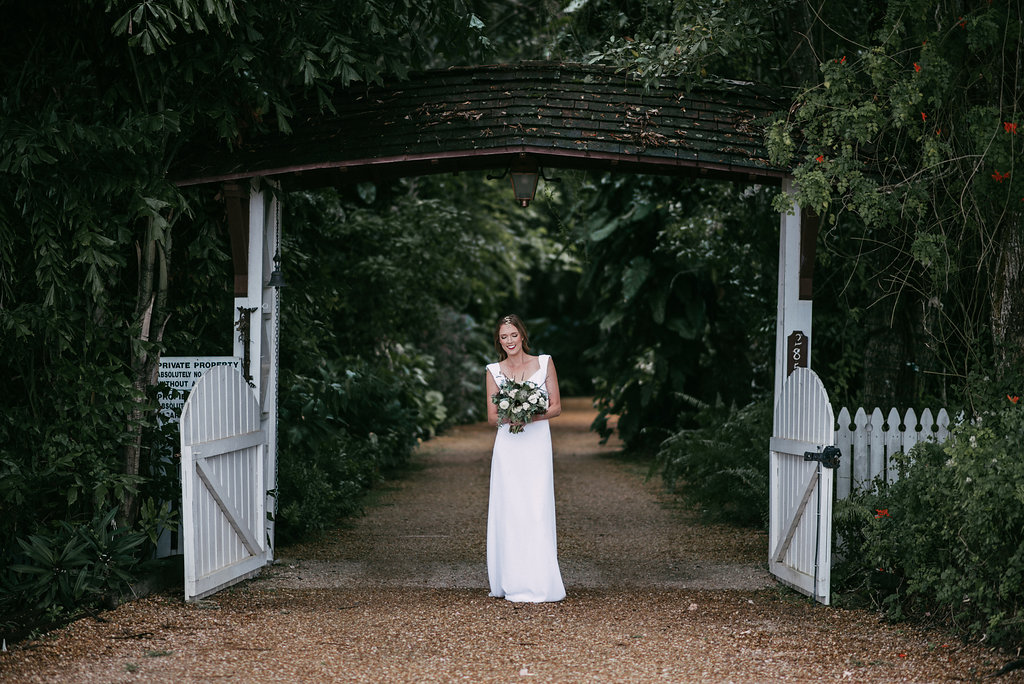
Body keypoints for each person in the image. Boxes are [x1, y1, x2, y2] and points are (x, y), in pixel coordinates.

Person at [484, 314, 566, 603]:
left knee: (536, 505)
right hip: (509, 445)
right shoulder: (494, 370)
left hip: (536, 441)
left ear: (522, 336)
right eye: (503, 337)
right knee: (511, 506)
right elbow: (493, 416)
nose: (509, 341)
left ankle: (540, 579)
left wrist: (530, 415)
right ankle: (511, 579)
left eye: (513, 335)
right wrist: (514, 414)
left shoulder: (544, 362)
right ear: (499, 340)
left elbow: (555, 407)